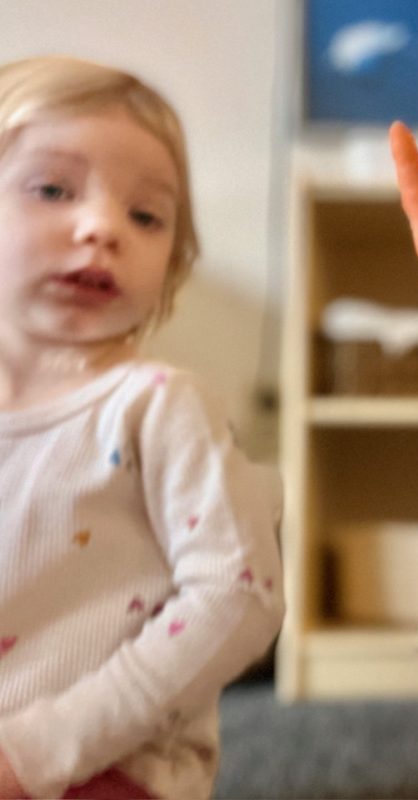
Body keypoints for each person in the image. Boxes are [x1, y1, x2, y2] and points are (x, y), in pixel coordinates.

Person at [0, 56, 284, 799]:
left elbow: (239, 594)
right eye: (53, 189)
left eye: (146, 216)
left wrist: (39, 752)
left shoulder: (158, 405)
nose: (102, 228)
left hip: (104, 765)